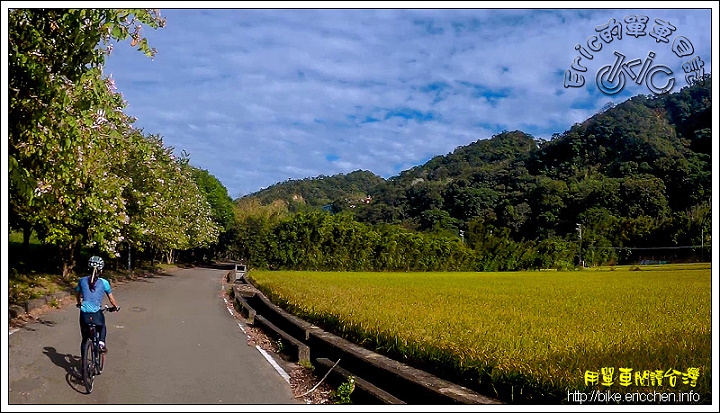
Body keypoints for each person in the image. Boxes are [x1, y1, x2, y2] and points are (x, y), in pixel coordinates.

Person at [76, 256, 119, 354]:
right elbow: (111, 299)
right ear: (101, 270)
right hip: (96, 314)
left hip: (84, 314)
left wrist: (79, 303)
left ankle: (83, 366)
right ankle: (101, 343)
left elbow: (78, 294)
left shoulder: (82, 280)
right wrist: (115, 307)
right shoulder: (104, 282)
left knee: (84, 339)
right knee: (102, 326)